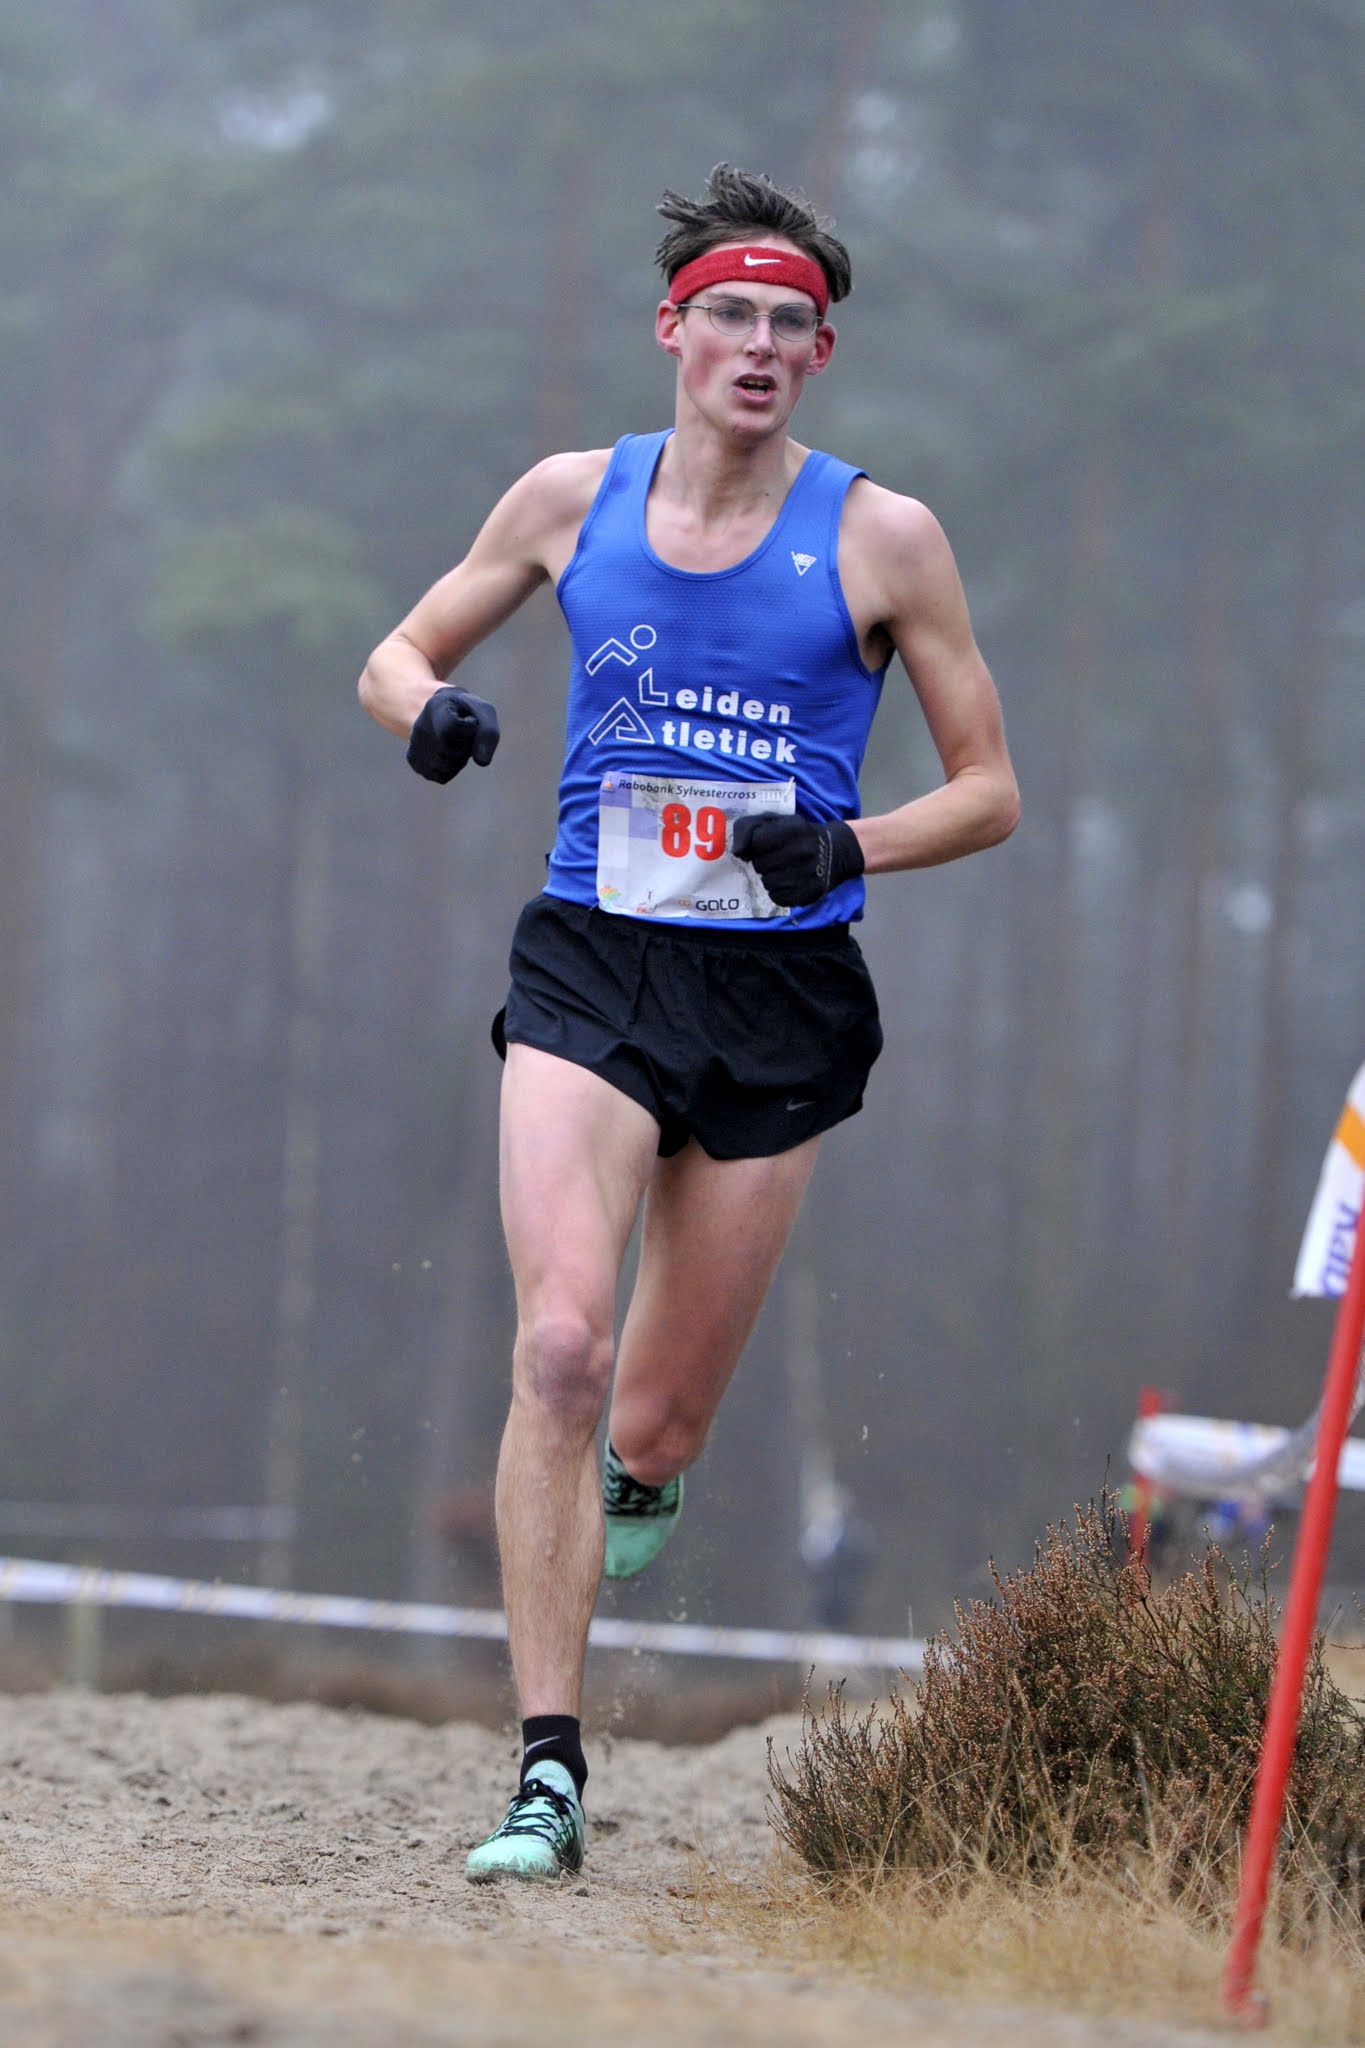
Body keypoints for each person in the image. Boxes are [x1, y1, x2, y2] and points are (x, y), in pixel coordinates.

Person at [358, 163, 1020, 1884]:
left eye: (790, 324)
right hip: (592, 961)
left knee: (648, 1425)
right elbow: (395, 652)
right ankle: (547, 1773)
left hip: (778, 988)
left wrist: (848, 845)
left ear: (820, 356)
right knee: (561, 1353)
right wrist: (429, 713)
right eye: (729, 312)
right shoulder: (570, 497)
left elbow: (989, 791)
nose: (758, 343)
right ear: (672, 329)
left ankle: (640, 1476)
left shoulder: (882, 536)